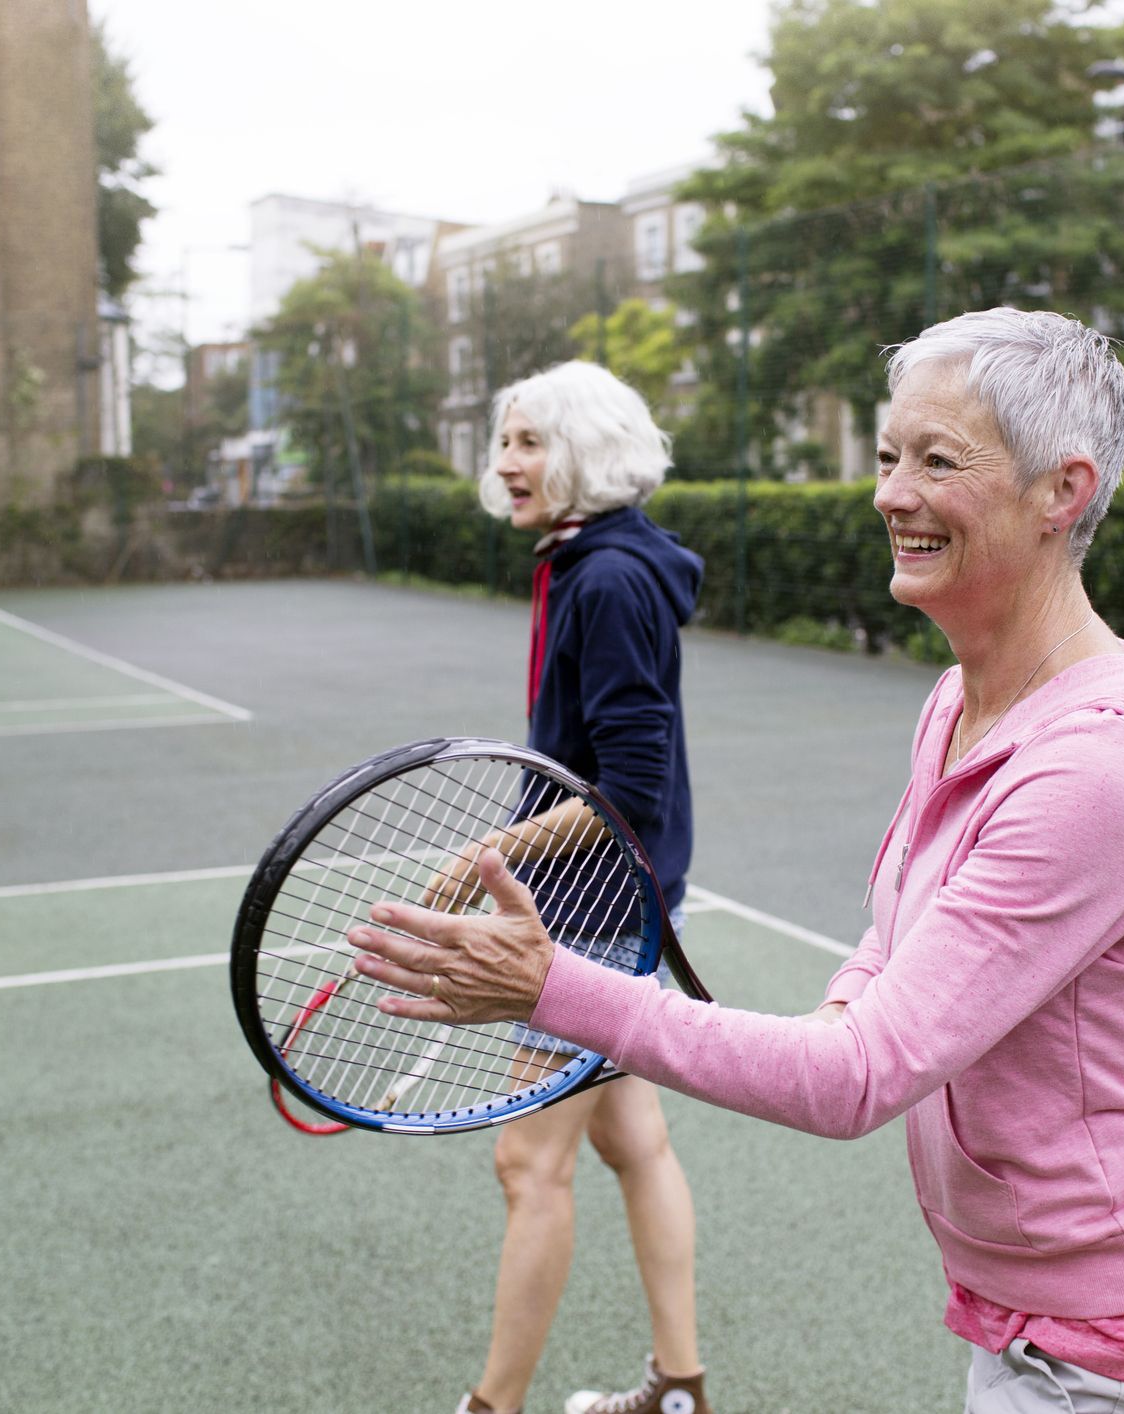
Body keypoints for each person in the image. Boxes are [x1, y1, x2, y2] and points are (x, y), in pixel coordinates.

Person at [355, 310, 1124, 1414]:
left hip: (1117, 1346)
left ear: (1060, 491)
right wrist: (848, 1011)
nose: (891, 492)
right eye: (889, 457)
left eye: (938, 459)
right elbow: (890, 952)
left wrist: (550, 985)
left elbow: (854, 1080)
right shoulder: (959, 703)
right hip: (1030, 1313)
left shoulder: (1097, 773)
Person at [447, 361, 712, 1414]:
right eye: (504, 442)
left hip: (603, 914)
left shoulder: (605, 581)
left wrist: (494, 855)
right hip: (613, 902)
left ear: (586, 452)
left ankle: (491, 1406)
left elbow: (628, 793)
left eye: (530, 442)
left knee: (526, 1160)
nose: (507, 462)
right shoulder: (589, 560)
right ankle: (680, 1388)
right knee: (631, 1137)